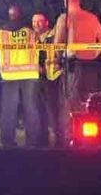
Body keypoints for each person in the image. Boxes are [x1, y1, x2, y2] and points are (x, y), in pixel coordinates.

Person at [53, 0, 101, 113]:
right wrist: (95, 53)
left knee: (70, 101)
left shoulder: (64, 18)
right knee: (90, 100)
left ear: (66, 3)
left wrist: (58, 59)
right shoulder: (92, 17)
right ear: (78, 1)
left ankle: (70, 131)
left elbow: (57, 43)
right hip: (92, 64)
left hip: (73, 65)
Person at [0, 4, 41, 147]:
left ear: (9, 15)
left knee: (8, 110)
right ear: (21, 15)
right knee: (31, 108)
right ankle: (33, 141)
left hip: (9, 75)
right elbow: (41, 50)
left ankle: (7, 141)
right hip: (30, 74)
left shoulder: (1, 33)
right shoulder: (31, 32)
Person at [33, 12, 67, 147]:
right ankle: (42, 140)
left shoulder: (54, 36)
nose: (36, 24)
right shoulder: (33, 39)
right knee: (39, 110)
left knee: (54, 110)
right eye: (34, 22)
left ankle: (58, 140)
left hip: (54, 77)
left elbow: (59, 54)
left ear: (47, 22)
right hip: (39, 78)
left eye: (39, 21)